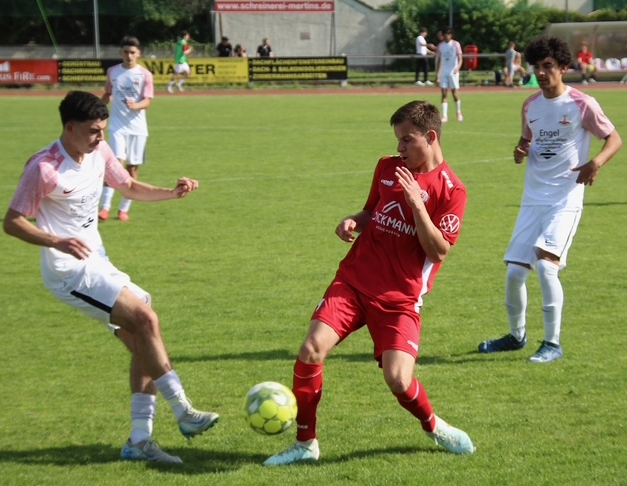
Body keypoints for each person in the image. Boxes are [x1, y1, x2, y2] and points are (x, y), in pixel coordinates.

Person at [3, 90, 220, 463]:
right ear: (70, 128)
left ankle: (139, 441)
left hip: (98, 261)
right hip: (68, 271)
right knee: (146, 318)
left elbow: (128, 187)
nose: (100, 137)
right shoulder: (44, 168)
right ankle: (184, 410)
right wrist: (56, 240)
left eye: (102, 129)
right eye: (93, 131)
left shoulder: (100, 151)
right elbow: (12, 222)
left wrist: (172, 193)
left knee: (143, 338)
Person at [263, 100, 474, 467]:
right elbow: (372, 211)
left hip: (400, 299)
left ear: (431, 137)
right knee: (311, 349)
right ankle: (305, 443)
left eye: (407, 140)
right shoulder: (388, 167)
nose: (400, 148)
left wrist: (417, 205)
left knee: (398, 379)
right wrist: (352, 221)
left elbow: (438, 251)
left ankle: (433, 425)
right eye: (398, 140)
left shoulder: (452, 190)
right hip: (354, 281)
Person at [478, 36, 622, 363]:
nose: (541, 73)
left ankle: (552, 343)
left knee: (546, 266)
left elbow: (614, 139)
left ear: (563, 68)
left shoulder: (582, 103)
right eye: (537, 67)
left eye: (549, 66)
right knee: (515, 273)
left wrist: (595, 163)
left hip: (564, 200)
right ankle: (516, 337)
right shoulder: (530, 105)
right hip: (532, 200)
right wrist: (521, 149)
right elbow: (527, 139)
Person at [98, 35, 153, 222]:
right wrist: (95, 107)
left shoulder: (145, 74)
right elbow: (107, 93)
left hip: (138, 128)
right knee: (114, 165)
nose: (129, 55)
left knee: (132, 169)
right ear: (120, 53)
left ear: (139, 54)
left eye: (132, 52)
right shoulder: (112, 71)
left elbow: (148, 101)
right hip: (117, 126)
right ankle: (105, 208)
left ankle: (123, 209)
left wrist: (136, 105)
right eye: (126, 52)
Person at [436, 27, 463, 122]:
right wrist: (438, 75)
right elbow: (440, 60)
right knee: (444, 94)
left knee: (454, 93)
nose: (447, 36)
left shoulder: (456, 44)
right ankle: (444, 116)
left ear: (451, 35)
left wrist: (458, 68)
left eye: (449, 34)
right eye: (446, 34)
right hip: (444, 72)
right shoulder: (441, 46)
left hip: (453, 72)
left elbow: (460, 58)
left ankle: (458, 112)